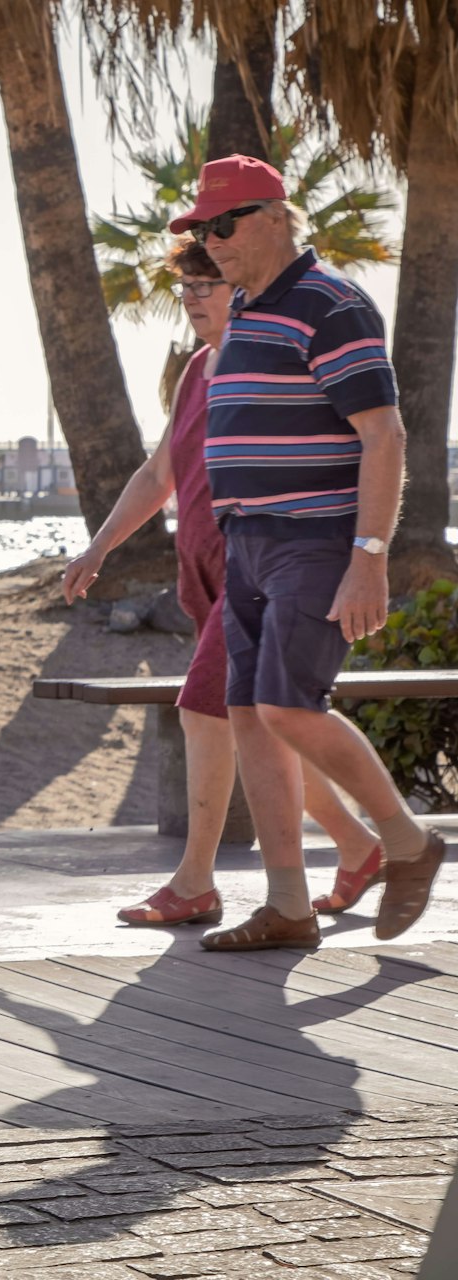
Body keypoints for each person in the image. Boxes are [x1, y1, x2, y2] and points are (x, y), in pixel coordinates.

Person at [63, 236, 381, 928]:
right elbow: (159, 475)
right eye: (185, 290)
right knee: (268, 727)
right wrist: (99, 548)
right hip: (207, 583)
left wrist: (362, 556)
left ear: (244, 286)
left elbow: (364, 444)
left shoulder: (275, 365)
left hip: (270, 574)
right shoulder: (196, 373)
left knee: (204, 712)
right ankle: (359, 846)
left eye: (207, 286)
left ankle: (195, 882)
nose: (193, 301)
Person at [170, 155, 444, 950]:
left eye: (225, 224)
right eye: (200, 229)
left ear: (277, 216)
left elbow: (384, 433)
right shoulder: (248, 312)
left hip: (315, 541)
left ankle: (406, 841)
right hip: (249, 543)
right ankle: (288, 906)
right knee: (250, 715)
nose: (212, 243)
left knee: (290, 706)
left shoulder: (332, 305)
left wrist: (369, 554)